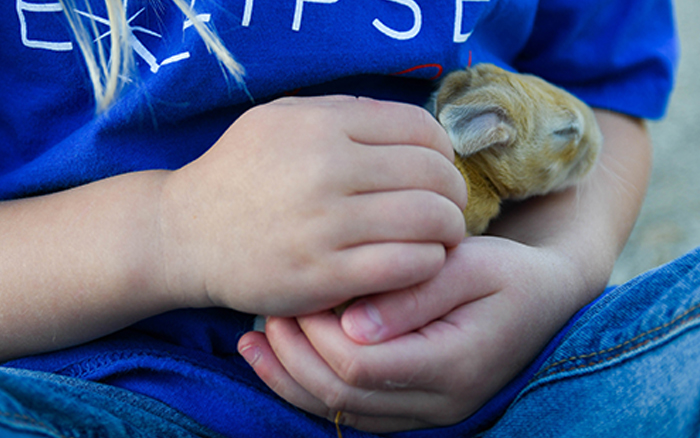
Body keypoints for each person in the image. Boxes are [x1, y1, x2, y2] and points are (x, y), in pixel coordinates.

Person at [0, 0, 686, 437]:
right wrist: (167, 230)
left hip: (524, 391)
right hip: (86, 396)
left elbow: (602, 94)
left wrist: (556, 269)